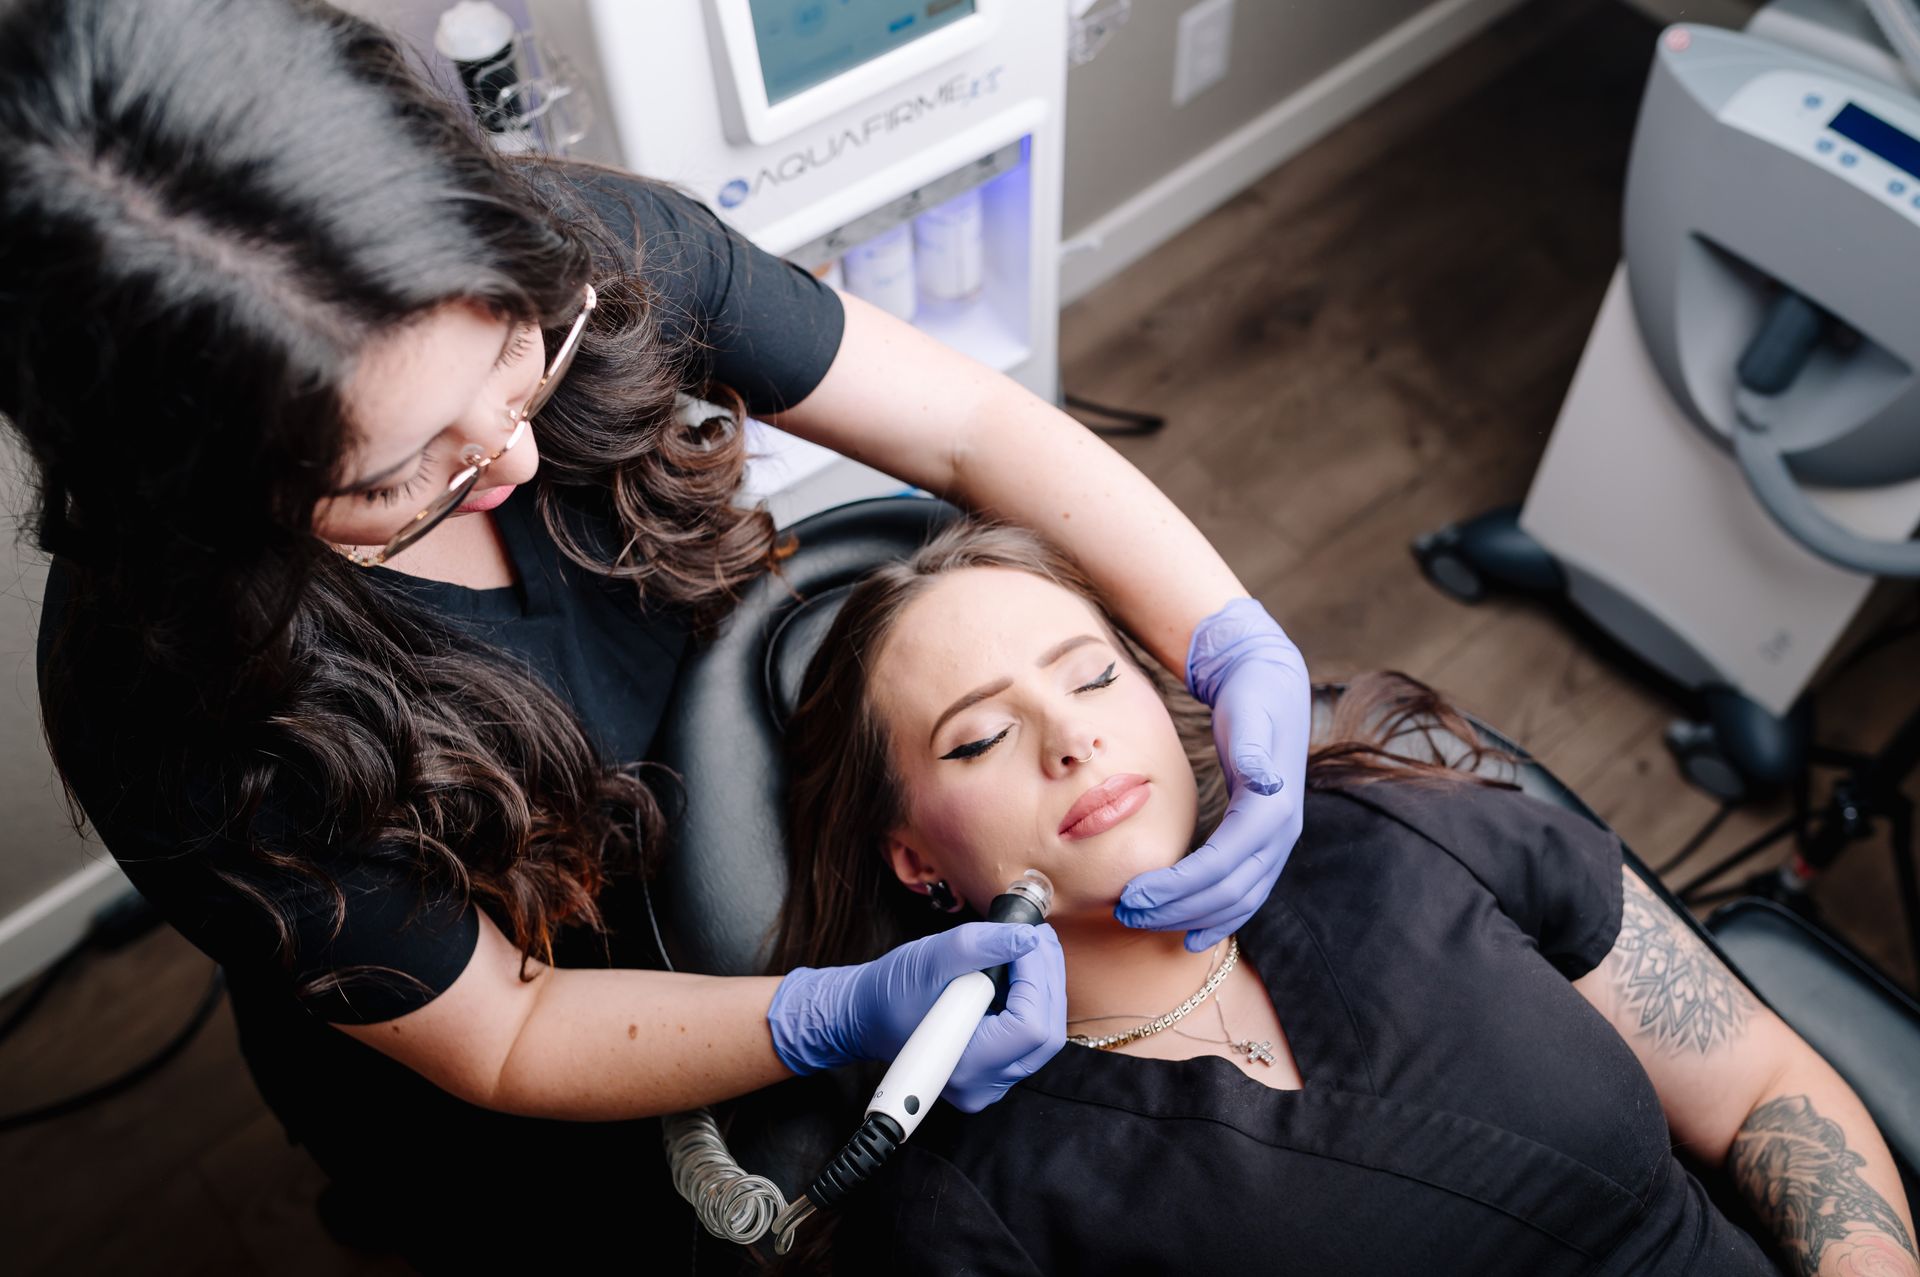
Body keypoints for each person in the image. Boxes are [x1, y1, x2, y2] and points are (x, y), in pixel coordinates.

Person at [0, 0, 1312, 1266]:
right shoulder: (174, 701)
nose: (510, 451)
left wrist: (1227, 636)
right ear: (209, 501)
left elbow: (964, 425)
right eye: (401, 477)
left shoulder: (591, 245)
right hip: (506, 1060)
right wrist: (824, 1019)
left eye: (517, 345)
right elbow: (508, 1031)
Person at [773, 519, 1919, 1276]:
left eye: (1091, 674)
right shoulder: (977, 1202)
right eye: (979, 735)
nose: (1071, 734)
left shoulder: (1399, 826)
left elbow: (1764, 1085)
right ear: (914, 858)